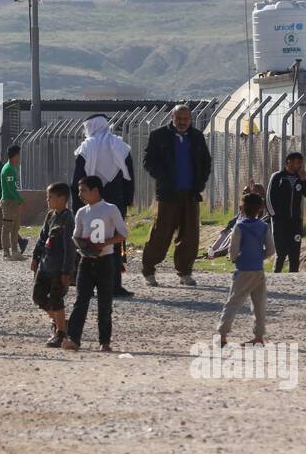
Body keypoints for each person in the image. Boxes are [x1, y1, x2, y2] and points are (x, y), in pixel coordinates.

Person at [141, 104, 212, 287]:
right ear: (172, 117)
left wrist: (201, 181)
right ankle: (149, 269)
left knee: (190, 234)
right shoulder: (159, 136)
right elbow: (149, 161)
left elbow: (205, 161)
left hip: (191, 193)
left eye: (186, 119)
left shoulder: (196, 137)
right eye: (179, 119)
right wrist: (163, 177)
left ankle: (185, 272)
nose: (182, 122)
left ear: (190, 119)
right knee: (162, 232)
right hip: (168, 193)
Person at [72, 114, 135, 298]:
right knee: (113, 242)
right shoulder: (120, 146)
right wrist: (127, 201)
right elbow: (129, 177)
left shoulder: (86, 147)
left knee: (88, 242)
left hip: (90, 202)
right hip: (116, 201)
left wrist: (78, 203)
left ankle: (87, 286)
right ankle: (114, 285)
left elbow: (77, 179)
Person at [65, 176, 128, 353]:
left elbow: (123, 234)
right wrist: (83, 246)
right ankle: (74, 339)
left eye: (83, 190)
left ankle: (105, 341)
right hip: (85, 261)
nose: (80, 194)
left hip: (105, 262)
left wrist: (104, 243)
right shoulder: (81, 212)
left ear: (95, 190)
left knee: (105, 303)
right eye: (79, 190)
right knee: (80, 301)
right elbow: (75, 236)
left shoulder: (110, 209)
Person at [215, 192, 275, 347]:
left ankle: (222, 334)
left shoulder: (239, 227)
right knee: (259, 304)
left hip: (243, 271)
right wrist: (258, 257)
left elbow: (233, 250)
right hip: (258, 271)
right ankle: (259, 337)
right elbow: (270, 250)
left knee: (233, 302)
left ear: (241, 208)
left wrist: (236, 259)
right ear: (260, 209)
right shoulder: (264, 226)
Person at [30, 182, 76, 348]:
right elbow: (42, 238)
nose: (47, 200)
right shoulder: (51, 216)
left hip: (59, 268)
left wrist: (67, 271)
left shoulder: (67, 219)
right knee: (38, 296)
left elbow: (69, 247)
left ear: (62, 198)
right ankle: (60, 321)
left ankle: (61, 333)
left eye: (50, 197)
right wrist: (35, 258)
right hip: (45, 265)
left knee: (57, 300)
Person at [266, 151, 306, 273]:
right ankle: (276, 275)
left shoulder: (299, 179)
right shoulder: (278, 177)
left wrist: (304, 181)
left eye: (301, 163)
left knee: (295, 254)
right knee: (281, 253)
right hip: (280, 222)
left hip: (295, 223)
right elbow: (269, 198)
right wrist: (275, 217)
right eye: (298, 163)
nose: (300, 166)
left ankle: (293, 278)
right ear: (289, 162)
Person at [0, 144, 26, 260]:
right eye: (18, 155)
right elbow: (10, 188)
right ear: (14, 156)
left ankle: (15, 251)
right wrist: (20, 200)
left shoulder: (12, 168)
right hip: (9, 202)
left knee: (15, 228)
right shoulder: (8, 169)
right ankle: (6, 252)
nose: (19, 157)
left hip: (13, 202)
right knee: (7, 228)